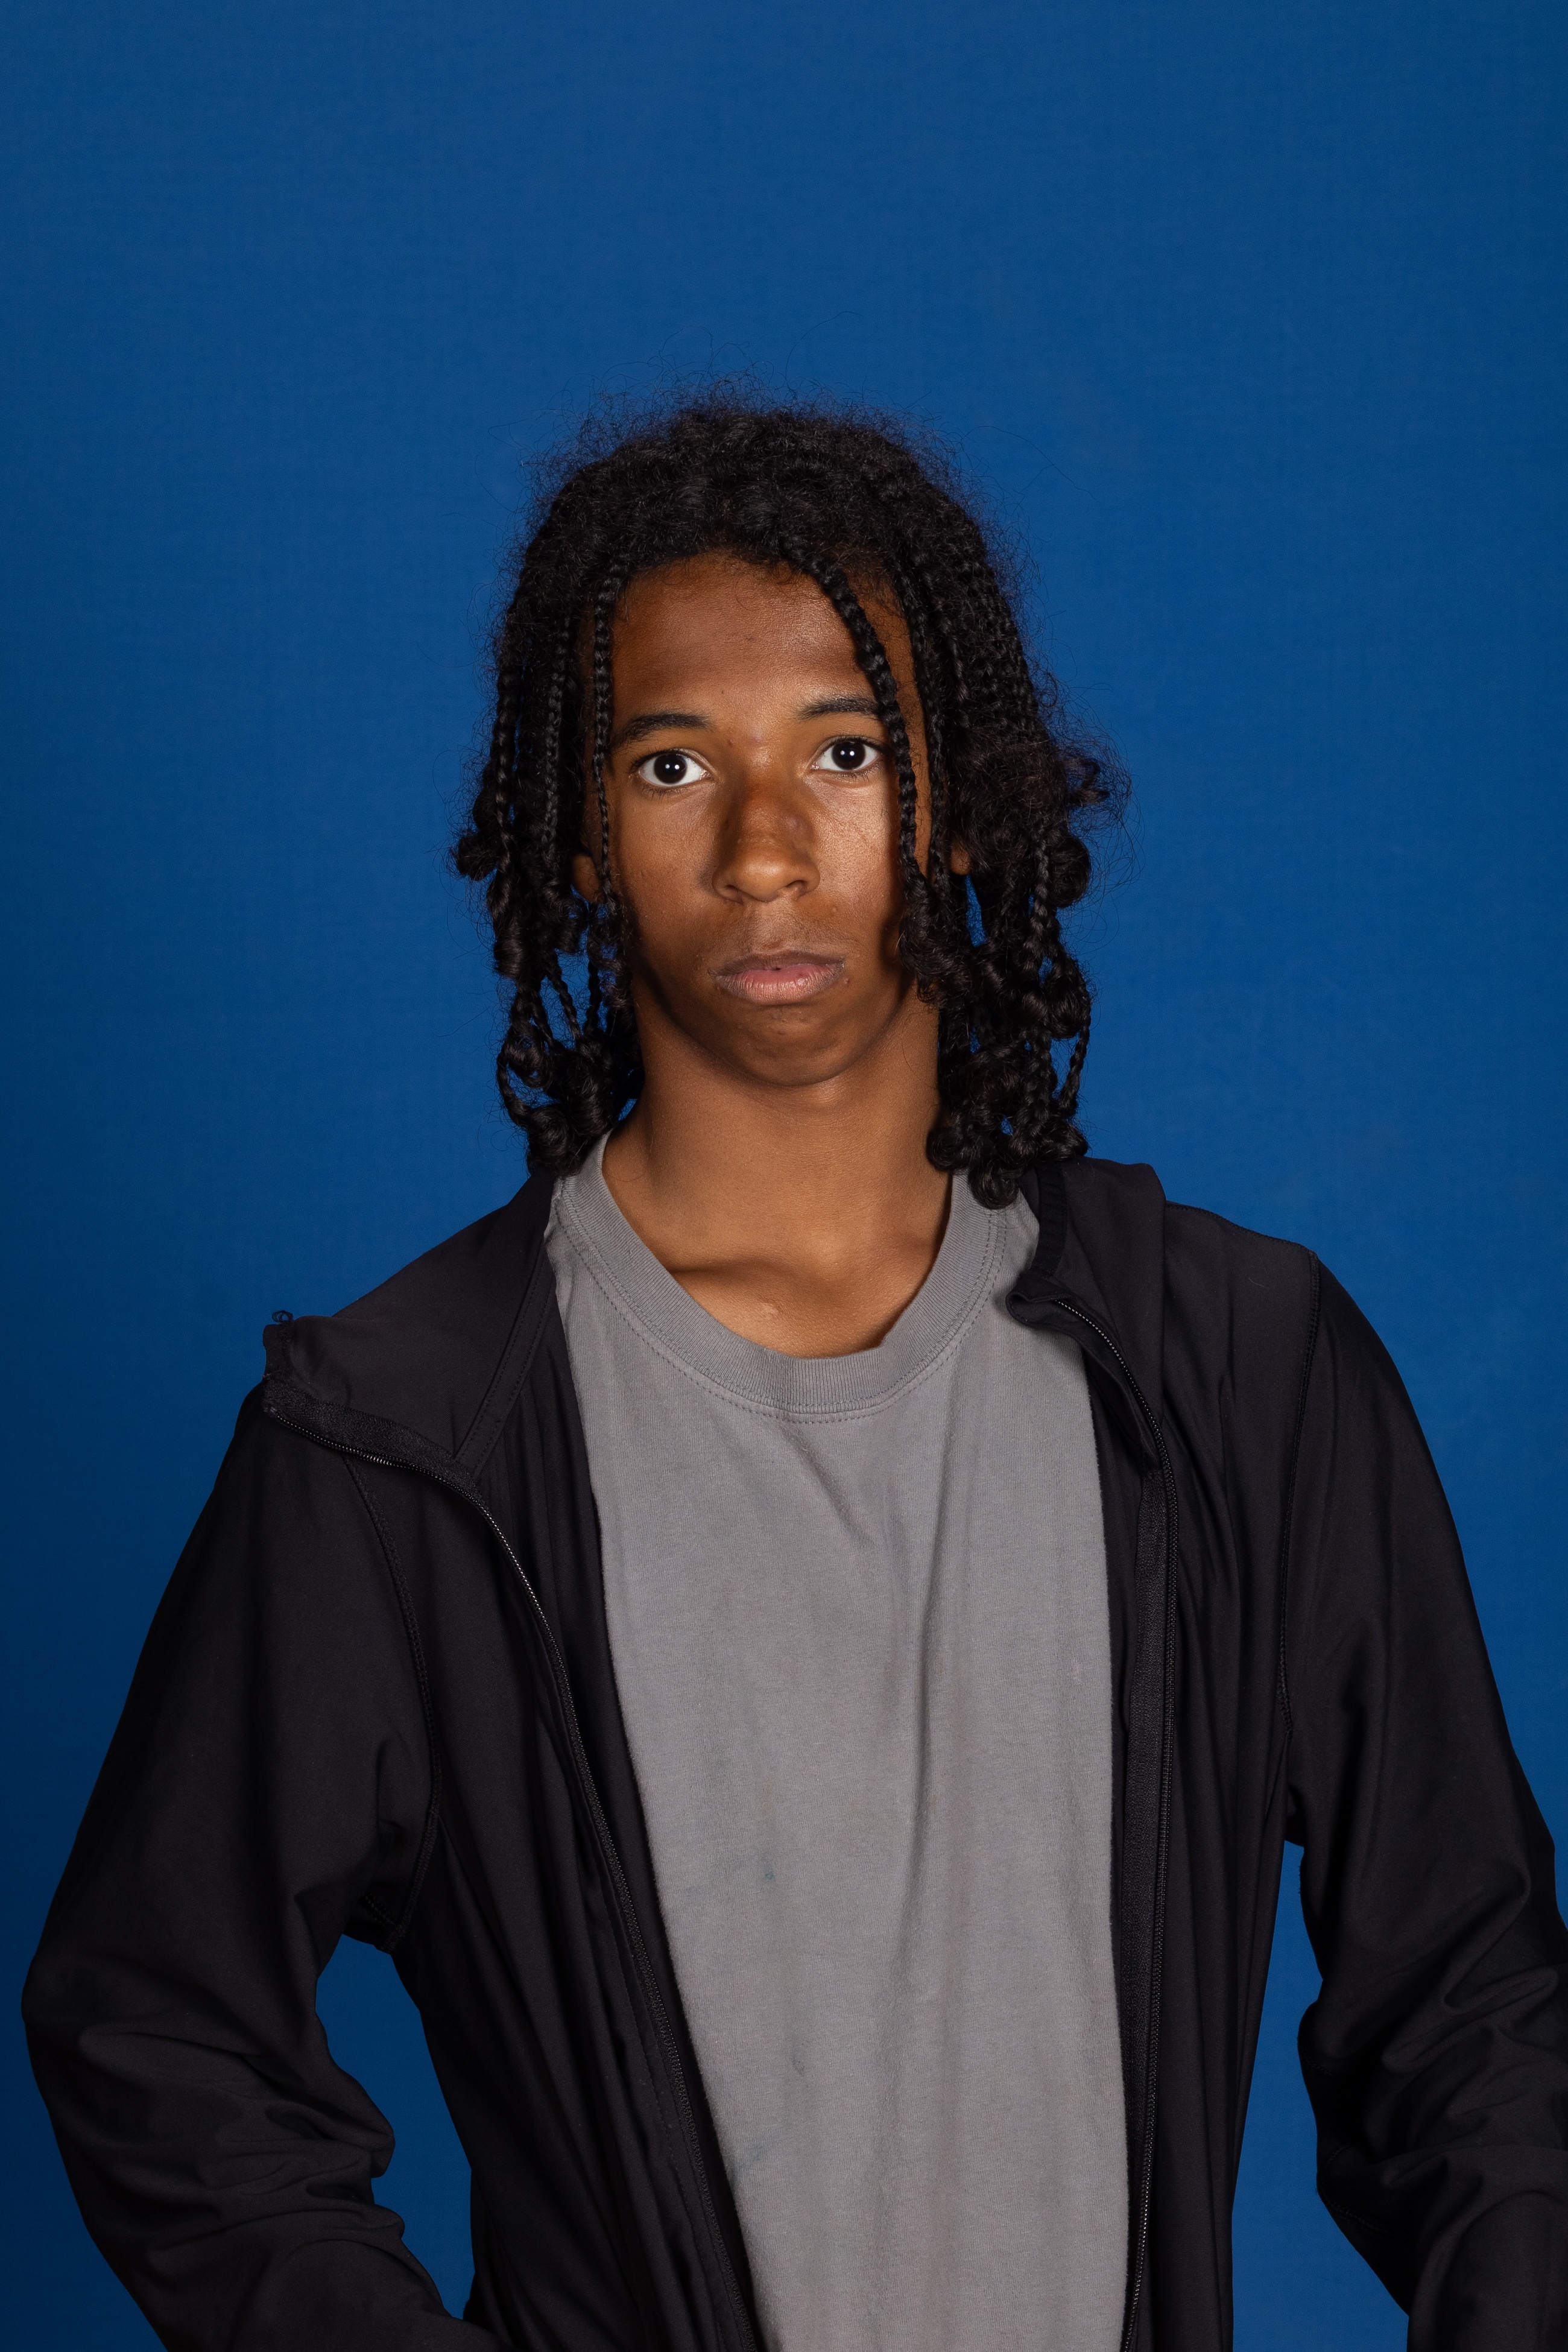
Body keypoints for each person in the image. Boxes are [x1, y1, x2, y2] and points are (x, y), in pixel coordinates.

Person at [23, 398, 1568, 2352]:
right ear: (581, 836)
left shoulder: (1240, 1375)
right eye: (674, 763)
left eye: (848, 749)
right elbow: (158, 2019)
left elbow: (1473, 2010)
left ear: (965, 801)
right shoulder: (405, 1442)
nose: (765, 849)